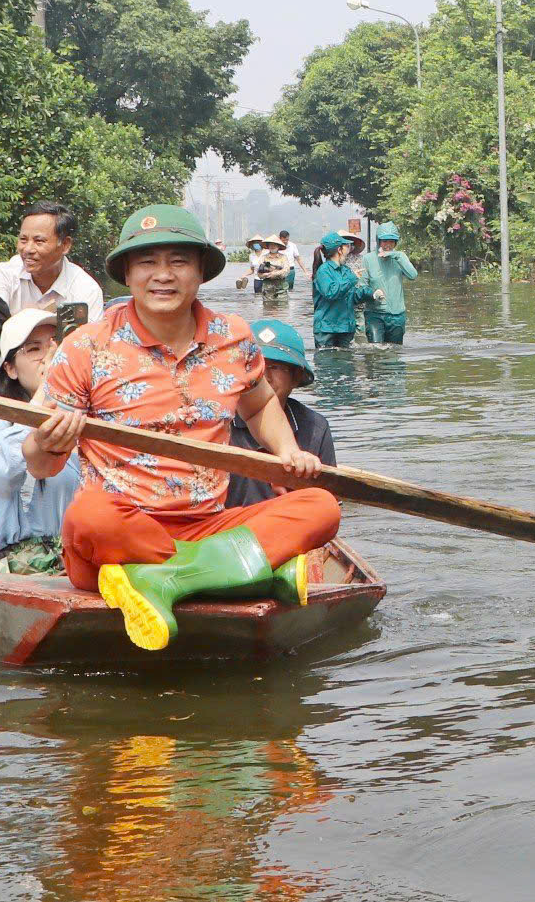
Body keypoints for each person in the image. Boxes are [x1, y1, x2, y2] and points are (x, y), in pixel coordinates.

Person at [30, 205, 341, 651]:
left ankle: (167, 581)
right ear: (127, 273)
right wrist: (46, 441)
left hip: (209, 525)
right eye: (147, 262)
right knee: (88, 515)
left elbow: (258, 407)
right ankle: (242, 573)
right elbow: (40, 467)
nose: (163, 275)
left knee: (320, 507)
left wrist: (288, 452)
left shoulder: (232, 336)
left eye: (178, 261)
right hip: (123, 534)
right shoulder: (86, 347)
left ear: (199, 271)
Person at [0, 307, 81, 575]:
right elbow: (2, 475)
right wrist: (46, 391)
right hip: (28, 563)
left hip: (83, 555)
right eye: (33, 350)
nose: (48, 358)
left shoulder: (83, 414)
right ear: (10, 368)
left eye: (55, 345)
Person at [225, 319, 335, 508]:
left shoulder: (314, 426)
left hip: (287, 523)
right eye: (257, 368)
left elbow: (328, 497)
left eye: (275, 368)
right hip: (230, 527)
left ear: (296, 376)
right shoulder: (220, 421)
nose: (264, 378)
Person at [0, 202, 108, 317]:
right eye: (23, 239)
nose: (28, 249)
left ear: (65, 245)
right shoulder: (4, 275)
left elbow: (89, 337)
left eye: (39, 241)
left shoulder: (86, 290)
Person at [360, 223, 419, 345]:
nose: (388, 245)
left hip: (397, 315)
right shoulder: (368, 259)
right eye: (384, 241)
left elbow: (413, 275)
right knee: (376, 349)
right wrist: (373, 294)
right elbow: (362, 285)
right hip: (374, 314)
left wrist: (396, 255)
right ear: (378, 241)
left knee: (394, 351)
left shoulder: (400, 257)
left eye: (392, 242)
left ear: (396, 243)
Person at [310, 232, 361, 348]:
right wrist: (352, 279)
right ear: (339, 250)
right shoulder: (323, 271)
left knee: (346, 363)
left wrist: (372, 293)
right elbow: (331, 292)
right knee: (327, 363)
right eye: (347, 247)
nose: (349, 250)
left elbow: (353, 295)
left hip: (345, 327)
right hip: (327, 329)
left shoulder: (346, 270)